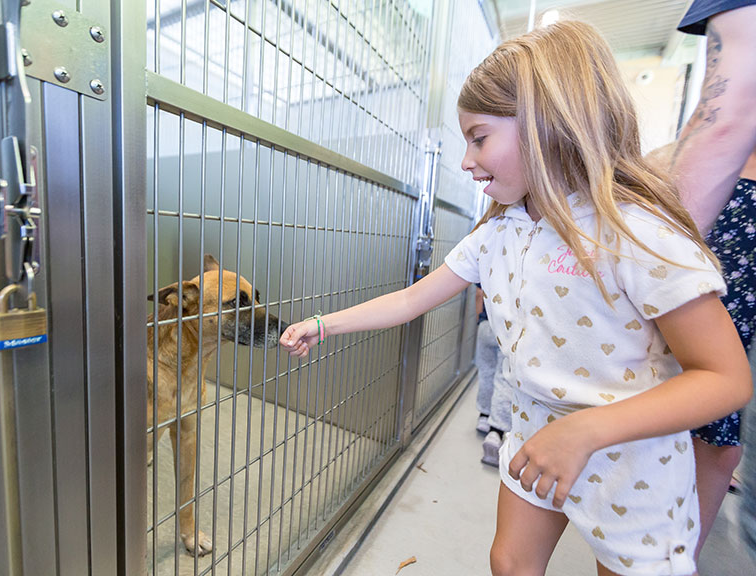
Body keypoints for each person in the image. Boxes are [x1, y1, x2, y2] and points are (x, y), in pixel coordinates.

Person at [281, 21, 752, 576]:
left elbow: (726, 379)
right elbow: (411, 300)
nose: (465, 160)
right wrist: (323, 322)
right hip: (533, 429)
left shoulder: (637, 233)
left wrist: (586, 430)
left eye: (479, 137)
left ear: (549, 126)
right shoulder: (498, 232)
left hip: (632, 457)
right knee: (509, 562)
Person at [673, 1, 756, 563]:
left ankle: (669, 561)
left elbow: (729, 112)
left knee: (703, 410)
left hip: (743, 206)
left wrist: (655, 261)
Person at [474, 286, 512, 466]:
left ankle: (483, 415)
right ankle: (496, 431)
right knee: (503, 377)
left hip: (486, 324)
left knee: (485, 370)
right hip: (509, 328)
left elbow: (479, 294)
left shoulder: (491, 264)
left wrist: (478, 320)